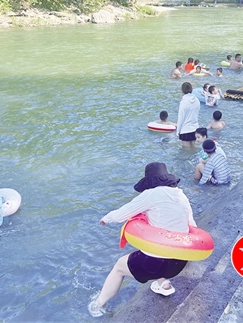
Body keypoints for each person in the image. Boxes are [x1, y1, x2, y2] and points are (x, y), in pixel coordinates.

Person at [88, 162, 195, 317]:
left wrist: (106, 218)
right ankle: (164, 284)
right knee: (164, 245)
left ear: (149, 182)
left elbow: (123, 213)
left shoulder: (151, 194)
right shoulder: (181, 195)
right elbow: (192, 225)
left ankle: (98, 306)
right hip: (179, 263)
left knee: (119, 267)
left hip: (156, 264)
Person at [176, 82, 200, 148]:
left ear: (182, 90)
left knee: (186, 150)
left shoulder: (183, 102)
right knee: (194, 147)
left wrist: (178, 131)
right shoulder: (197, 100)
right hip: (195, 128)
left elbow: (181, 118)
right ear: (191, 89)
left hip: (185, 129)